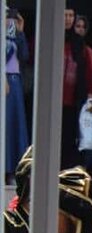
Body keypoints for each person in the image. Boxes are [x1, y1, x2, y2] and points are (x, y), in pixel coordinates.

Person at [61, 7, 92, 169]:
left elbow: (88, 71)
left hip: (73, 99)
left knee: (70, 137)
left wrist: (90, 94)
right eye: (65, 15)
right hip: (52, 97)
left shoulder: (79, 43)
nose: (68, 19)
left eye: (71, 15)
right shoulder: (50, 37)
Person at [5, 7, 29, 184]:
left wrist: (20, 32)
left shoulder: (15, 36)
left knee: (15, 126)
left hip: (15, 82)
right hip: (4, 80)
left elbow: (24, 56)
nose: (9, 22)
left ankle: (14, 171)